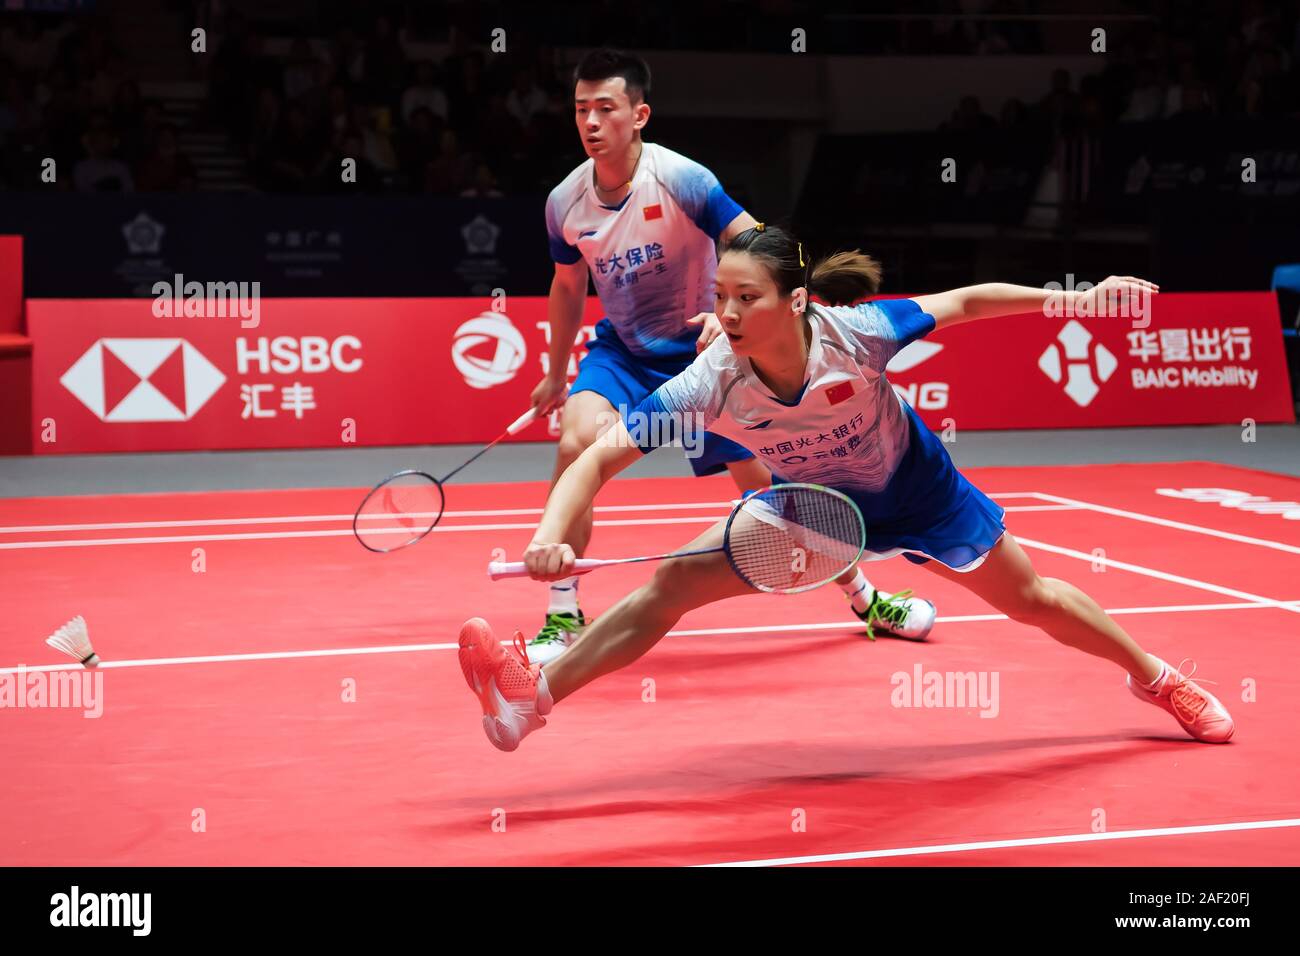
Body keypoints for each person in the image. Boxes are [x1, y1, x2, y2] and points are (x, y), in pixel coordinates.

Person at [457, 223, 1235, 752]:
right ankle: (532, 698)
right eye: (720, 297)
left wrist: (1075, 299)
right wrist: (548, 535)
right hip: (814, 509)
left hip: (919, 491)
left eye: (746, 297)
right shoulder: (709, 382)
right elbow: (596, 457)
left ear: (796, 301)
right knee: (672, 583)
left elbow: (964, 302)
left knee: (1033, 600)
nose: (726, 312)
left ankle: (1157, 680)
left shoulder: (857, 333)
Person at [528, 50, 934, 660]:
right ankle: (564, 613)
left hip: (708, 356)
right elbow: (567, 287)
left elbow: (757, 242)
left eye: (604, 109)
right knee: (577, 442)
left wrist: (730, 318)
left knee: (778, 486)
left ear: (638, 115)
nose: (589, 122)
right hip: (627, 353)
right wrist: (556, 376)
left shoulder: (684, 179)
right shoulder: (565, 202)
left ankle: (865, 596)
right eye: (580, 109)